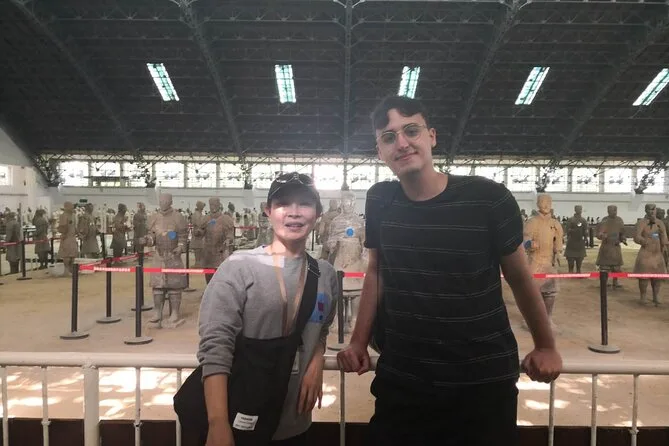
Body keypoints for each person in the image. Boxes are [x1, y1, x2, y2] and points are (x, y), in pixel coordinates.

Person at [336, 96, 562, 446]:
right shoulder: (381, 199)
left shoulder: (488, 198)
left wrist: (545, 346)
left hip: (481, 382)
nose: (402, 143)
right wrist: (357, 342)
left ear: (432, 136)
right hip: (405, 380)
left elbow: (519, 278)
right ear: (380, 151)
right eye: (389, 137)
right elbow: (377, 271)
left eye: (411, 131)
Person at [197, 172, 338, 446]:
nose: (294, 212)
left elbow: (322, 327)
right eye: (283, 203)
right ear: (268, 211)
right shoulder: (239, 267)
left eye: (305, 203)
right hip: (242, 419)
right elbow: (215, 346)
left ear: (318, 212)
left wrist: (317, 360)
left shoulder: (326, 274)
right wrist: (218, 423)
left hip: (297, 422)